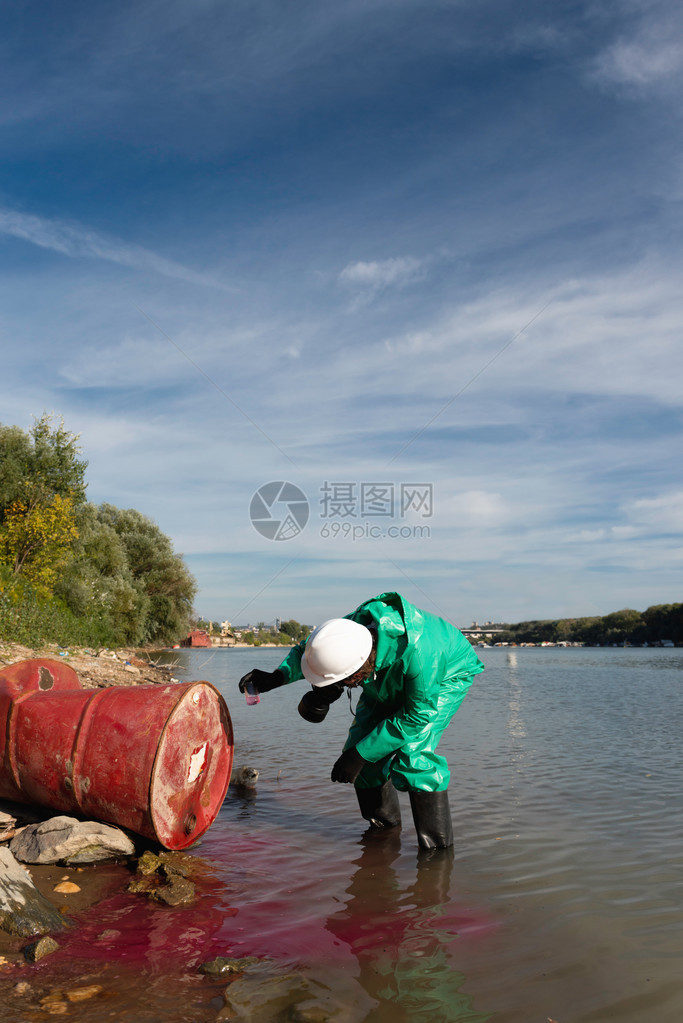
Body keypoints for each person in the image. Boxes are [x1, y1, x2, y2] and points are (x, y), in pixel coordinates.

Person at [238, 591, 484, 849]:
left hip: (446, 674)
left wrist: (362, 754)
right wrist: (277, 677)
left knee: (413, 755)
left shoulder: (420, 654)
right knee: (359, 746)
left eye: (343, 683)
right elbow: (307, 650)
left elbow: (416, 716)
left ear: (357, 672)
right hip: (386, 669)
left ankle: (436, 855)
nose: (340, 688)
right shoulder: (348, 631)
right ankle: (384, 834)